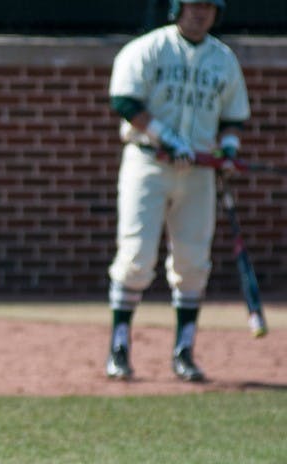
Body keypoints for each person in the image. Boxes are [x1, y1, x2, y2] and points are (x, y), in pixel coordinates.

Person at [105, 0, 250, 382]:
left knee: (192, 260)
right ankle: (119, 346)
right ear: (177, 8)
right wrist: (166, 136)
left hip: (198, 172)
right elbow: (124, 100)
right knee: (136, 256)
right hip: (148, 163)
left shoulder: (224, 59)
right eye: (192, 5)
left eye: (208, 6)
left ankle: (184, 350)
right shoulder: (149, 48)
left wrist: (228, 152)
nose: (200, 13)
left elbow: (234, 118)